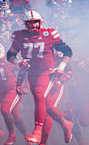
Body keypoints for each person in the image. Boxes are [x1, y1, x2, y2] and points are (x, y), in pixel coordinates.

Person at [7, 10, 73, 144]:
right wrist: (18, 62)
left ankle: (37, 131)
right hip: (32, 74)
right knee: (47, 106)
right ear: (25, 23)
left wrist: (61, 67)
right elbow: (10, 55)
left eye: (35, 21)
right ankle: (65, 122)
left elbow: (68, 52)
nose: (33, 25)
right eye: (30, 22)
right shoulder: (19, 36)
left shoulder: (49, 35)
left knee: (39, 95)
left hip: (48, 72)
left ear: (40, 22)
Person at [0, 42, 27, 144]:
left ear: (1, 52)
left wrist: (22, 85)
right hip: (1, 93)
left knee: (5, 110)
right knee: (15, 116)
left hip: (13, 90)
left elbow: (24, 70)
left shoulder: (9, 61)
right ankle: (27, 135)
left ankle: (11, 136)